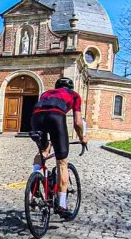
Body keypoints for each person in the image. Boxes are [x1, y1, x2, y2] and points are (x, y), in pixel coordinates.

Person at [30, 77, 88, 212]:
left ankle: (35, 180)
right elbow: (78, 122)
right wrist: (82, 137)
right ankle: (62, 205)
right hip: (56, 117)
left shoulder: (46, 94)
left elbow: (44, 110)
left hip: (36, 116)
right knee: (62, 162)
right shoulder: (74, 95)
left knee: (43, 151)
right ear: (71, 87)